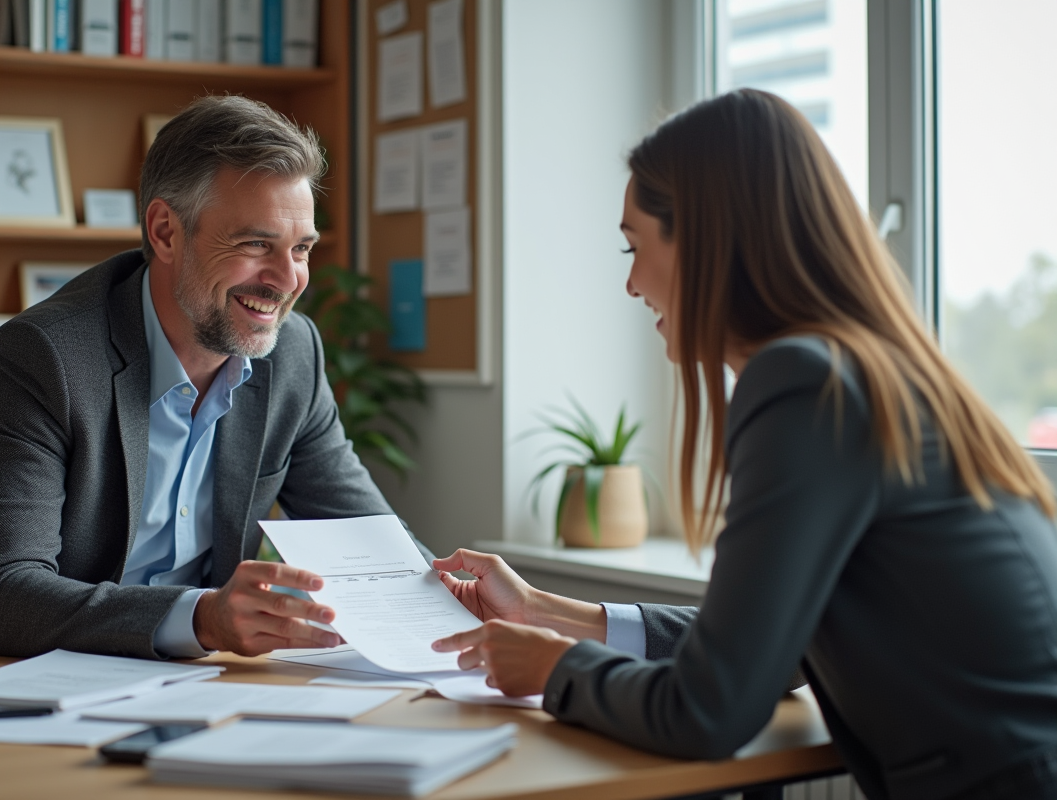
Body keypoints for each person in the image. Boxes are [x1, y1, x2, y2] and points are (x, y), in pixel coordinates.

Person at [431, 89, 1057, 800]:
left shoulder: (803, 384)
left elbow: (708, 710)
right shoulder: (862, 369)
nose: (631, 284)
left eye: (635, 247)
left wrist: (554, 669)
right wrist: (543, 614)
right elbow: (768, 650)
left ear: (706, 242)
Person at [0, 96, 429, 661]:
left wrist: (460, 598)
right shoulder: (43, 357)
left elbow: (370, 541)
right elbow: (2, 596)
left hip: (184, 680)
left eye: (300, 249)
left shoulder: (293, 354)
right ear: (165, 232)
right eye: (256, 244)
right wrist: (202, 619)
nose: (286, 280)